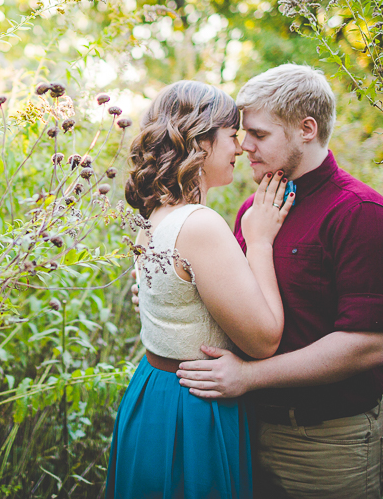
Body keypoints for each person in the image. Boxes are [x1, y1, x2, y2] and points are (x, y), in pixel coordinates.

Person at [173, 64, 383, 499]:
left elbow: (369, 345)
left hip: (326, 444)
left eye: (259, 135)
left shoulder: (362, 214)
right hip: (244, 429)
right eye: (244, 134)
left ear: (306, 129)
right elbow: (237, 303)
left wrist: (248, 377)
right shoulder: (254, 208)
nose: (244, 147)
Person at [106, 80, 295, 499]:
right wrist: (260, 241)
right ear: (201, 142)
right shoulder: (200, 224)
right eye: (232, 135)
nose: (242, 147)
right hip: (192, 407)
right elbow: (264, 340)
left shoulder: (154, 213)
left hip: (154, 392)